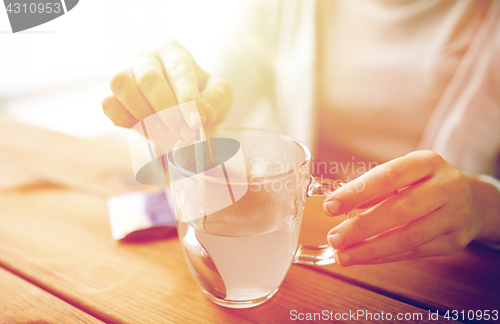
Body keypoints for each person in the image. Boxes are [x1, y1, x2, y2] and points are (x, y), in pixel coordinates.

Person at [102, 0, 500, 266]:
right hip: (299, 253)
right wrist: (177, 95)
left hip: (457, 277)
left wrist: (482, 206)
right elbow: (222, 83)